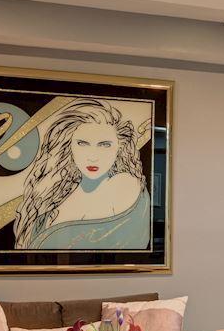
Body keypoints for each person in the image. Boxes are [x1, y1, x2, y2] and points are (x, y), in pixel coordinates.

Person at [15, 98, 153, 250]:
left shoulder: (124, 183)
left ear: (119, 148)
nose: (92, 157)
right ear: (69, 146)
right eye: (82, 143)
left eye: (105, 145)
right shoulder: (59, 190)